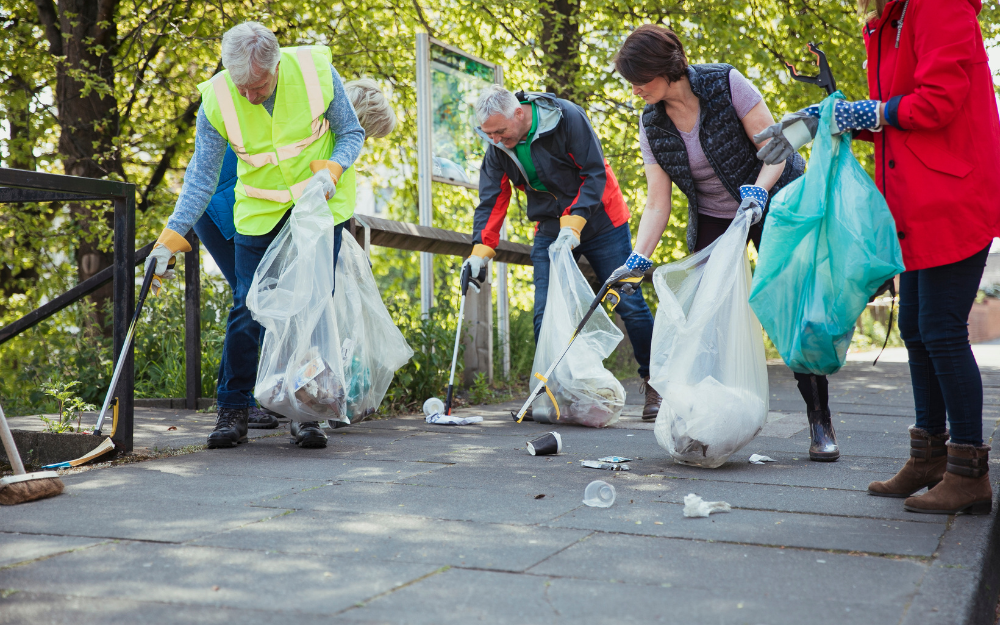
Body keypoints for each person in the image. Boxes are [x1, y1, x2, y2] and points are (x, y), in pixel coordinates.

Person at [757, 0, 1000, 514]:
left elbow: (937, 102)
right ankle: (930, 457)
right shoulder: (891, 20)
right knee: (914, 326)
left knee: (940, 327)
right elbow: (897, 111)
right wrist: (827, 120)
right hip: (916, 202)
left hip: (953, 197)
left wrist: (867, 112)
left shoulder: (938, 6)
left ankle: (968, 474)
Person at [605, 25, 847, 461]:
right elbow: (658, 203)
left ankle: (819, 418)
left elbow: (777, 147)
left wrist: (758, 192)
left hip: (773, 196)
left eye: (641, 79)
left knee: (791, 308)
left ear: (667, 67)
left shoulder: (724, 82)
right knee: (703, 317)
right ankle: (704, 421)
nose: (636, 89)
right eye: (632, 82)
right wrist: (638, 256)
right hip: (716, 218)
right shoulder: (652, 123)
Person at [145, 22, 364, 450]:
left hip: (319, 206)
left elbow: (351, 133)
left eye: (258, 85)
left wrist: (333, 171)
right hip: (259, 211)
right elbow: (201, 176)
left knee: (313, 307)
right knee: (248, 304)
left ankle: (307, 414)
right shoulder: (216, 97)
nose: (248, 95)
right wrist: (170, 237)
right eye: (240, 86)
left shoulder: (317, 71)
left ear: (276, 66)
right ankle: (232, 408)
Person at [193, 79, 397, 431]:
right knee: (255, 303)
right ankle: (248, 401)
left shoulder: (319, 129)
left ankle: (289, 399)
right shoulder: (308, 131)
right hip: (226, 214)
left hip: (242, 213)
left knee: (274, 306)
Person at [467, 85, 660, 420]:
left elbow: (593, 173)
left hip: (602, 219)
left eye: (499, 131)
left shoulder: (566, 117)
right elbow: (492, 198)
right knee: (544, 311)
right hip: (550, 225)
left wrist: (575, 224)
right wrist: (481, 251)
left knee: (628, 302)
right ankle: (553, 391)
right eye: (489, 134)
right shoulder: (497, 146)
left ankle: (656, 383)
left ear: (519, 113)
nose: (495, 140)